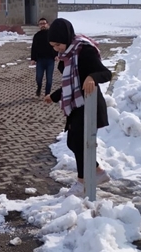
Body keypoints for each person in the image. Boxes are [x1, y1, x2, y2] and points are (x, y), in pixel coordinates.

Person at [43, 18, 112, 191]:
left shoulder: (84, 50)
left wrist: (92, 77)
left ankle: (82, 182)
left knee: (79, 143)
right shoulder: (68, 54)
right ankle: (98, 172)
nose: (56, 49)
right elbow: (72, 83)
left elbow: (105, 73)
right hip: (77, 105)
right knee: (74, 142)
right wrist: (54, 96)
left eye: (58, 45)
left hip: (90, 104)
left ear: (66, 38)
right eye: (53, 46)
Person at [30, 17, 58, 97]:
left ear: (47, 24)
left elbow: (55, 46)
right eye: (41, 24)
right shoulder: (37, 36)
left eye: (44, 23)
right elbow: (34, 48)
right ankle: (39, 87)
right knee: (39, 78)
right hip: (40, 60)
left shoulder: (51, 34)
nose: (42, 25)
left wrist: (56, 55)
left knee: (49, 79)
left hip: (50, 60)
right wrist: (33, 59)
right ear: (39, 25)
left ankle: (47, 94)